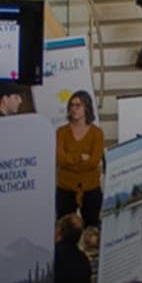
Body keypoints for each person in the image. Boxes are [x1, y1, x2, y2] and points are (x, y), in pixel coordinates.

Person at [56, 91, 104, 224]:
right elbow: (60, 159)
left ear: (87, 107)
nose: (74, 109)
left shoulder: (97, 133)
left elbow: (94, 161)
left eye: (78, 105)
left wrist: (70, 160)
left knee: (92, 227)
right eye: (71, 105)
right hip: (66, 189)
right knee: (64, 228)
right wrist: (80, 158)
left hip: (90, 189)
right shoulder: (61, 132)